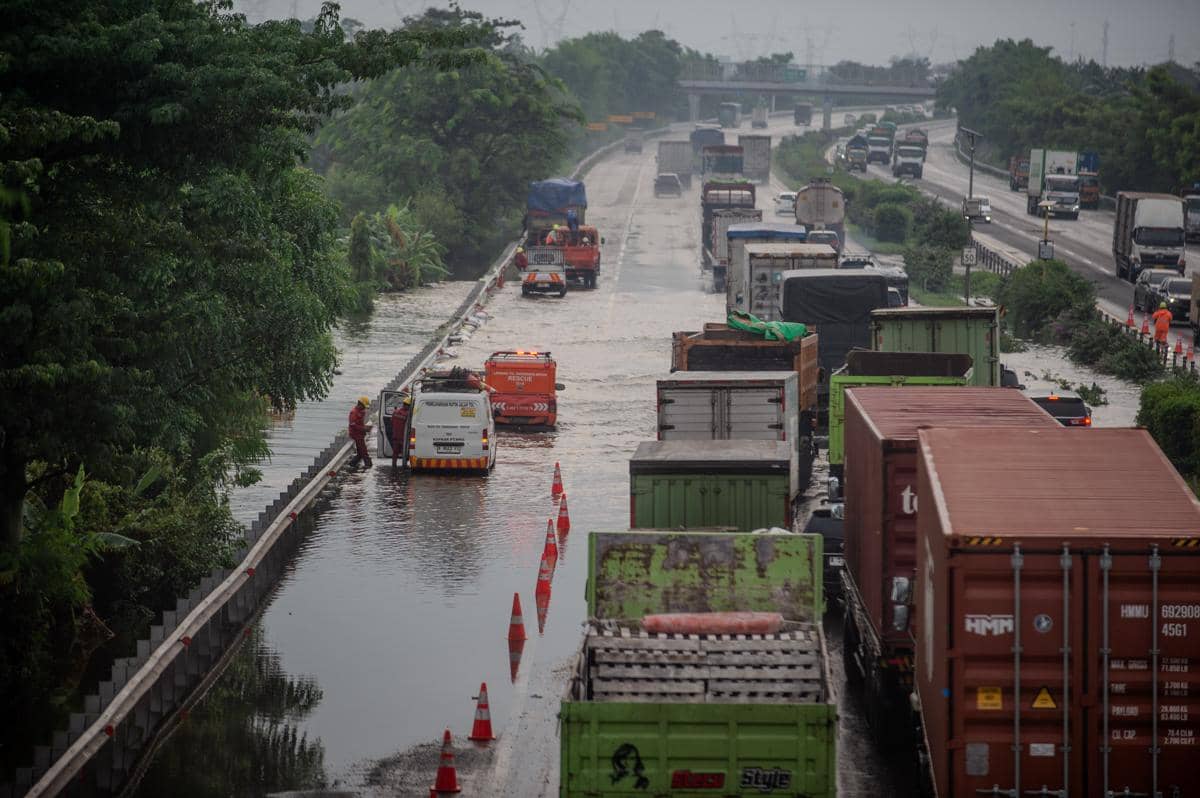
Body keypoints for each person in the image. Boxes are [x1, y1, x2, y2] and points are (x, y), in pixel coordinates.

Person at [348, 395, 372, 468]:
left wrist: (364, 428)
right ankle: (368, 464)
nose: (364, 408)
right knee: (363, 451)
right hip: (356, 434)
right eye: (364, 406)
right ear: (360, 404)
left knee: (360, 452)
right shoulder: (353, 412)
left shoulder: (361, 412)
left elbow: (360, 423)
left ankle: (352, 464)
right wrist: (364, 429)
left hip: (360, 434)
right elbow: (353, 425)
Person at [390, 393, 413, 469]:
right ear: (408, 405)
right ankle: (404, 466)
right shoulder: (407, 414)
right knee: (405, 452)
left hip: (395, 435)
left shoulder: (395, 412)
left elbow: (392, 422)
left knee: (395, 453)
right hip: (403, 437)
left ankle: (394, 466)